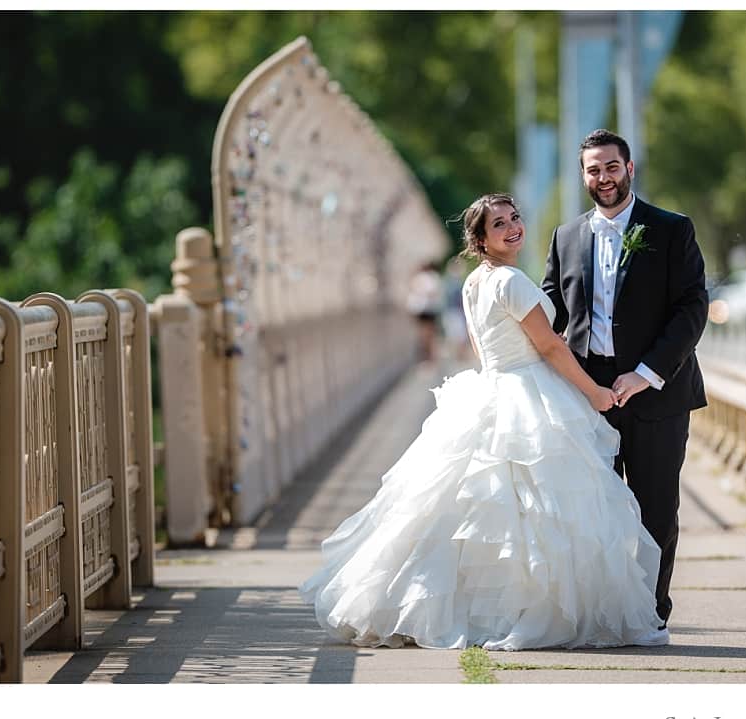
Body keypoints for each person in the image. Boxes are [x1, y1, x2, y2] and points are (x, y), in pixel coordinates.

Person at [298, 192, 668, 650]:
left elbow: (480, 346)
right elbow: (551, 346)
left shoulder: (474, 282)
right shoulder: (511, 281)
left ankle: (473, 608)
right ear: (480, 238)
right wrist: (592, 392)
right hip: (527, 389)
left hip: (492, 384)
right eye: (499, 224)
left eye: (515, 217)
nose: (513, 227)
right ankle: (526, 610)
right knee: (536, 509)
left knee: (480, 507)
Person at [540, 129, 709, 635]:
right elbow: (550, 313)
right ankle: (605, 613)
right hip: (589, 399)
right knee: (595, 512)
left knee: (656, 511)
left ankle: (650, 614)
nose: (603, 178)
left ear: (629, 169)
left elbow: (692, 308)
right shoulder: (565, 237)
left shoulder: (672, 229)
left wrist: (646, 373)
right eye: (593, 170)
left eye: (611, 167)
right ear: (583, 176)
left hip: (658, 394)